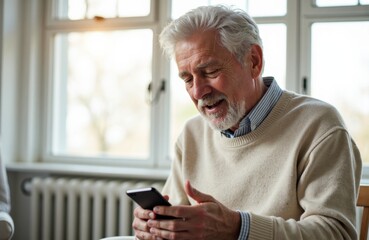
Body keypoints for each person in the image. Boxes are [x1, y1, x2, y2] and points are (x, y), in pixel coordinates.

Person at [132, 5, 362, 240]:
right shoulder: (192, 133)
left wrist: (238, 227)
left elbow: (337, 234)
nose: (198, 91)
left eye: (210, 71)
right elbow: (177, 220)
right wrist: (156, 226)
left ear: (253, 61)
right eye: (188, 79)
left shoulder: (319, 126)